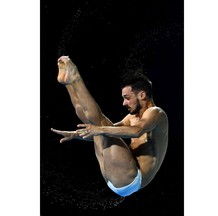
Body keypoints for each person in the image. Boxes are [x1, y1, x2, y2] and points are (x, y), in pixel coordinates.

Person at [51, 56, 168, 197]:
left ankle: (75, 78)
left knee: (100, 124)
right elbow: (106, 131)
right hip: (115, 175)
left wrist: (98, 129)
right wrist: (77, 135)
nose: (124, 103)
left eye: (127, 98)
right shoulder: (132, 117)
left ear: (142, 95)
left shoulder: (156, 113)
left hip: (133, 178)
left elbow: (137, 131)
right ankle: (69, 84)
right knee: (97, 125)